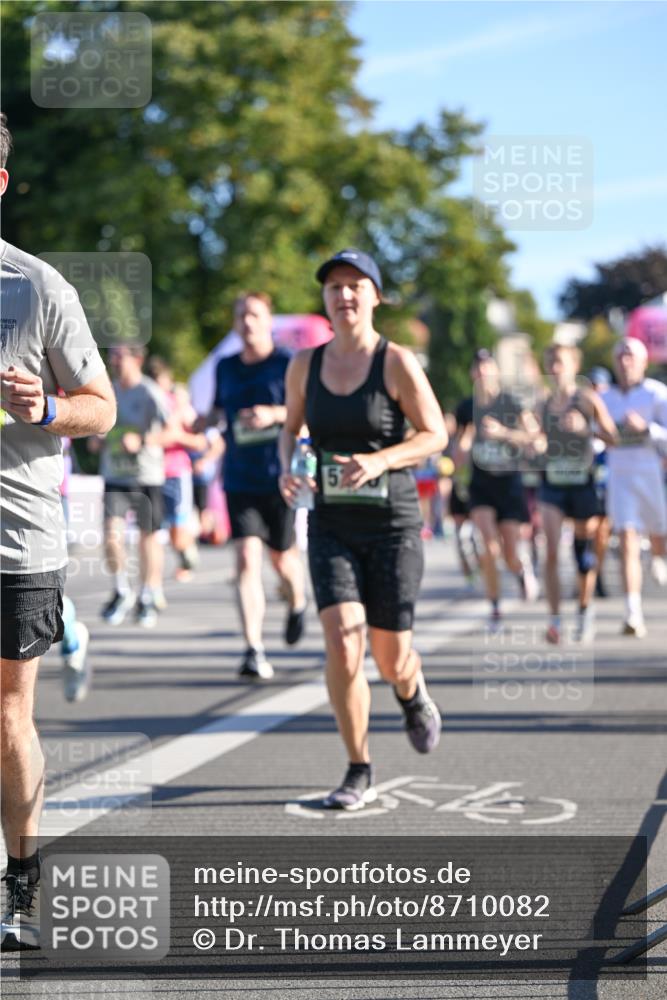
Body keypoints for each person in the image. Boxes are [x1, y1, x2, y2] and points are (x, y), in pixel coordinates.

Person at [0, 112, 116, 951]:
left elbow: (100, 407)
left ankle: (21, 885)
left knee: (8, 717)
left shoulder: (38, 289)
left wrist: (44, 406)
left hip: (15, 539)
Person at [279, 248, 447, 810]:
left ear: (375, 295)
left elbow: (435, 435)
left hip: (393, 526)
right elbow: (292, 428)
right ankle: (358, 768)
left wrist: (381, 460)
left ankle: (411, 689)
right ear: (324, 299)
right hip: (332, 524)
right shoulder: (305, 364)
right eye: (334, 287)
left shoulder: (395, 361)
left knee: (390, 655)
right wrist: (289, 467)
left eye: (356, 285)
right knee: (343, 647)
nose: (344, 295)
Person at [210, 292, 307, 679]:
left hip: (279, 475)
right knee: (246, 558)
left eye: (253, 315)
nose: (246, 322)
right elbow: (219, 410)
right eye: (240, 315)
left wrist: (273, 414)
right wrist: (199, 422)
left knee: (282, 558)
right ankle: (253, 648)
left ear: (268, 321)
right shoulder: (226, 366)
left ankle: (298, 599)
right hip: (238, 476)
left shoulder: (287, 363)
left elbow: (305, 413)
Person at [453, 349, 540, 632]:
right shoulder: (466, 407)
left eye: (486, 368)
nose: (482, 373)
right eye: (477, 369)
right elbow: (458, 442)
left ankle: (521, 569)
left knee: (509, 553)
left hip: (509, 483)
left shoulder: (511, 403)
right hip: (481, 484)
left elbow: (535, 437)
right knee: (488, 546)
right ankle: (495, 607)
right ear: (472, 374)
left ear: (495, 372)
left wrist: (503, 433)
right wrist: (460, 451)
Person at [536, 344, 617, 644]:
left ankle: (584, 610)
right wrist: (532, 445)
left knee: (583, 555)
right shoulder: (542, 404)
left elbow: (613, 439)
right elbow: (532, 436)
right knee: (552, 550)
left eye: (559, 362)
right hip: (552, 484)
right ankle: (554, 619)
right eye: (550, 362)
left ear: (573, 365)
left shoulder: (588, 400)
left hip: (582, 484)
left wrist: (587, 429)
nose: (554, 368)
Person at [95, 345, 169, 628]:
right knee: (111, 535)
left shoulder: (150, 392)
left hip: (146, 476)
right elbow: (99, 426)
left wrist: (143, 441)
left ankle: (148, 595)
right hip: (115, 475)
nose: (114, 361)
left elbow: (173, 429)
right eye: (111, 356)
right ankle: (121, 590)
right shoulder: (108, 389)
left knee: (147, 539)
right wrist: (99, 439)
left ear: (137, 358)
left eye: (120, 356)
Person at [603, 337, 667, 636]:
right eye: (620, 356)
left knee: (659, 535)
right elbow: (595, 438)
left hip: (649, 474)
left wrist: (647, 429)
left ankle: (657, 556)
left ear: (643, 362)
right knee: (627, 538)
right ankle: (633, 612)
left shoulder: (656, 394)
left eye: (631, 356)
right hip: (620, 476)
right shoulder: (606, 398)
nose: (625, 362)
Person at [146, 358, 204, 583]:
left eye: (162, 381)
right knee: (153, 532)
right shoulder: (144, 402)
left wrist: (174, 436)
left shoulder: (178, 405)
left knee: (176, 534)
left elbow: (199, 442)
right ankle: (152, 582)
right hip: (150, 474)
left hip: (176, 474)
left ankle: (187, 550)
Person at [587, 366, 613, 598]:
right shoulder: (580, 410)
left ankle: (598, 573)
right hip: (585, 476)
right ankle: (585, 573)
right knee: (586, 528)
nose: (596, 391)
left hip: (606, 475)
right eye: (592, 386)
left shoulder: (611, 411)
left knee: (603, 530)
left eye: (600, 386)